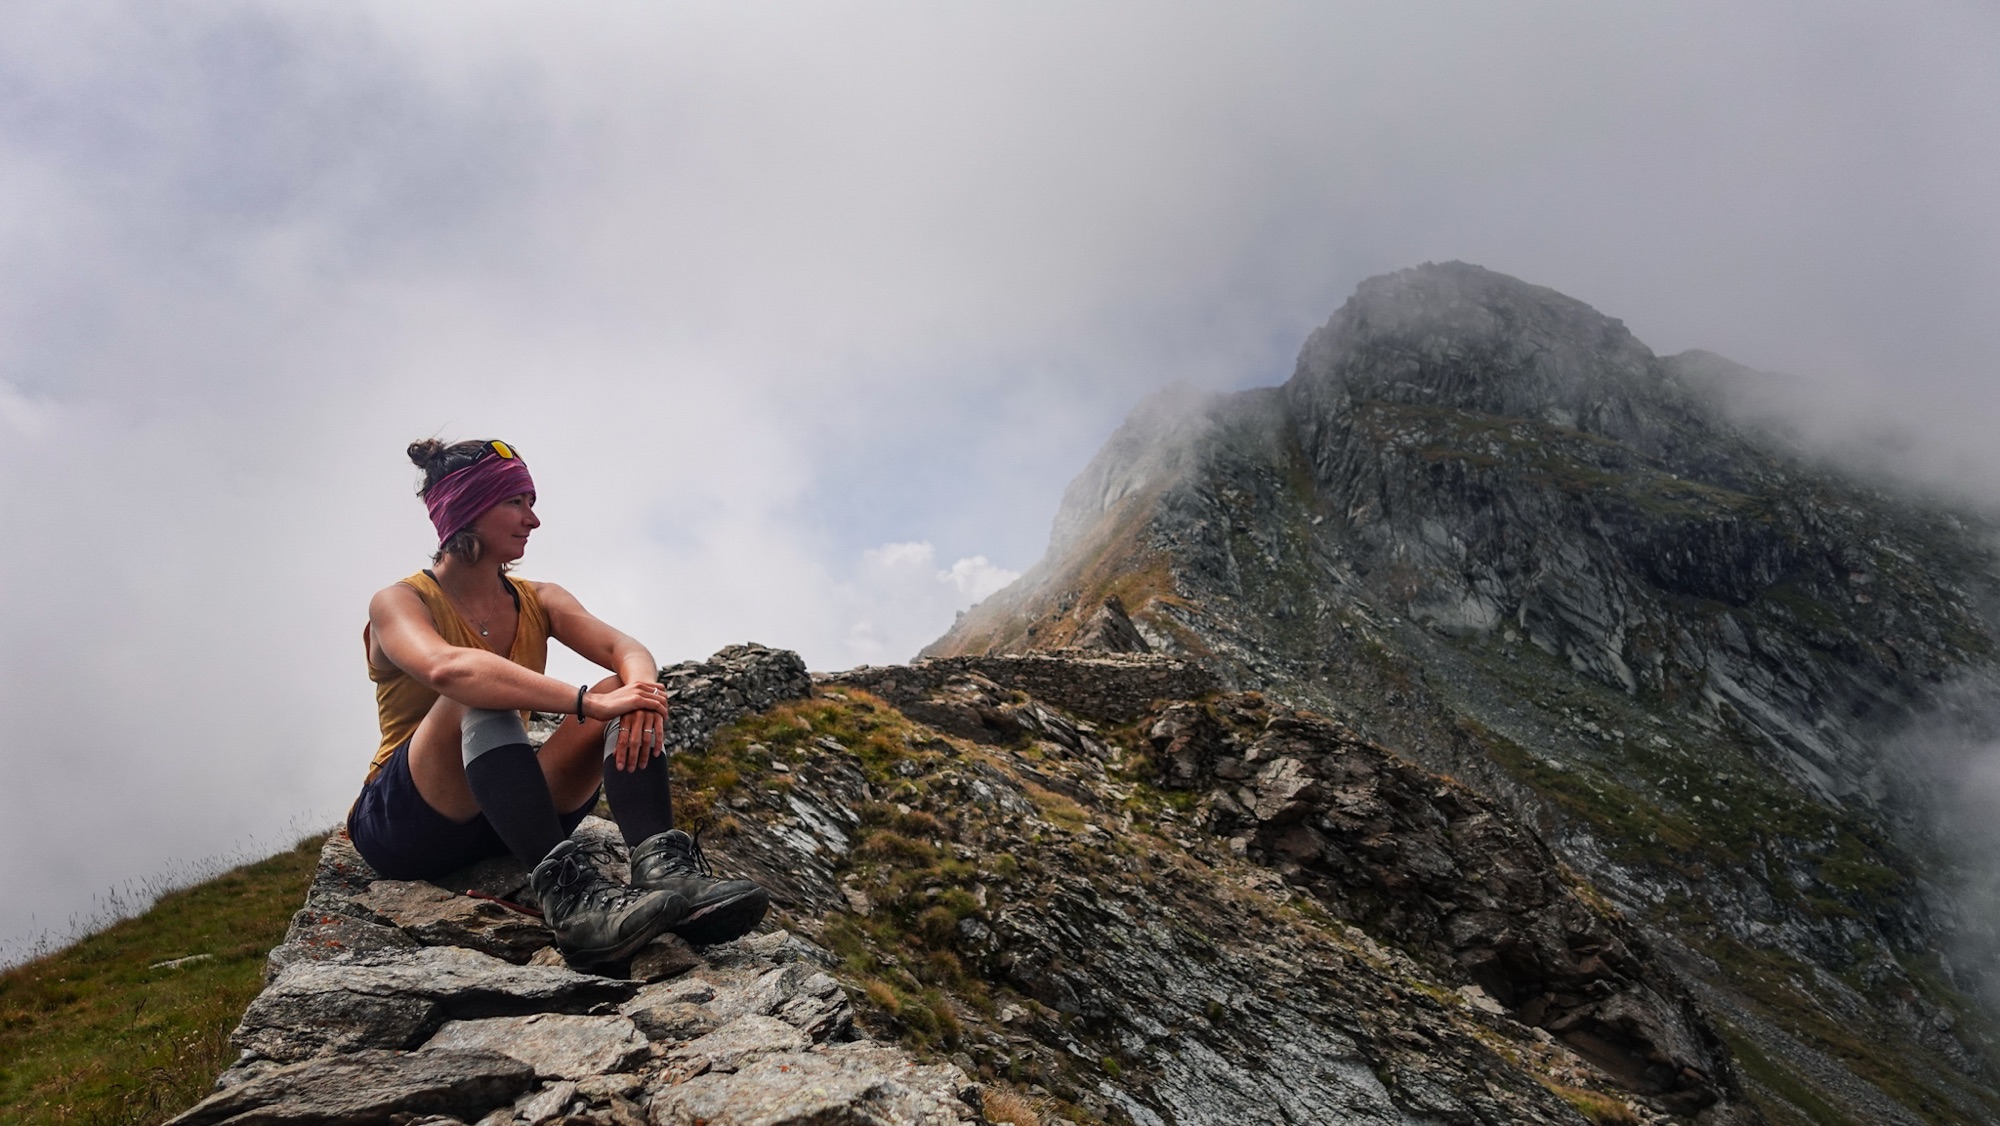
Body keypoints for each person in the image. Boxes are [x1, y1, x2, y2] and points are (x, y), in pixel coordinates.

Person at [347, 437, 768, 962]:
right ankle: (573, 908)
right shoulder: (400, 601)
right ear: (469, 509)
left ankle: (665, 871)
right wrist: (587, 704)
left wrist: (634, 697)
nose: (533, 520)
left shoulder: (540, 598)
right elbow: (447, 669)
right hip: (409, 824)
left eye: (532, 503)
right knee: (476, 694)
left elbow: (625, 648)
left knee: (629, 688)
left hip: (510, 814)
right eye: (516, 503)